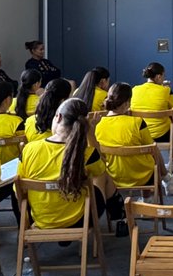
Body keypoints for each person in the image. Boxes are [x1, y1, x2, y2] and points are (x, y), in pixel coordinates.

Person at [18, 97, 124, 230]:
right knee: (101, 174)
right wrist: (91, 134)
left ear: (58, 117)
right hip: (79, 220)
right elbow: (101, 167)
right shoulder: (87, 153)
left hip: (41, 220)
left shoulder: (29, 149)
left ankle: (120, 214)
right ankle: (120, 215)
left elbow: (19, 190)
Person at [93, 82, 173, 196]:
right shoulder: (137, 122)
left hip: (114, 177)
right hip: (144, 176)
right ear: (126, 104)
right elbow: (152, 149)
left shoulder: (98, 126)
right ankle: (157, 188)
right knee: (153, 150)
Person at [130, 62, 173, 144]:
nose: (164, 78)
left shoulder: (134, 90)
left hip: (140, 134)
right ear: (159, 77)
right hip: (162, 135)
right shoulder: (166, 91)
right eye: (164, 76)